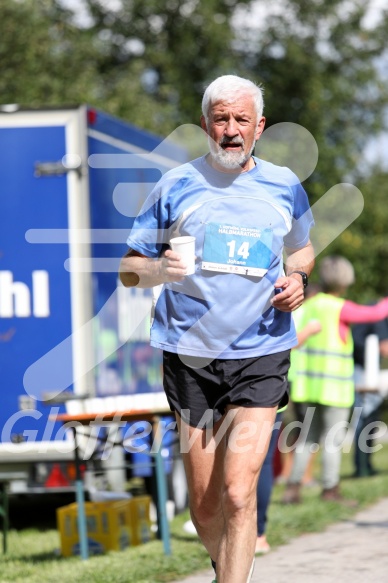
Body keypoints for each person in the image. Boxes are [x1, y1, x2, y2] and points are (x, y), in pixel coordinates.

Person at [119, 74, 315, 583]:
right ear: (206, 125)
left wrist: (299, 277)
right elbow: (129, 267)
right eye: (221, 119)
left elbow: (302, 246)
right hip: (190, 354)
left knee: (237, 492)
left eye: (241, 120)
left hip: (262, 350)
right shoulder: (176, 184)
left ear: (260, 128)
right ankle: (224, 560)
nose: (230, 129)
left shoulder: (284, 185)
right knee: (206, 509)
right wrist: (162, 270)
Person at [282, 256, 388, 505]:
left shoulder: (308, 305)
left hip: (308, 387)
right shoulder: (339, 307)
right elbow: (374, 313)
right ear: (345, 280)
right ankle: (330, 489)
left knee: (307, 438)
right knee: (332, 440)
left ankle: (292, 488)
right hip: (334, 389)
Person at [352, 318, 388, 477]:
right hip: (363, 374)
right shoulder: (379, 316)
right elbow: (385, 347)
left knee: (369, 421)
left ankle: (364, 465)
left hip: (368, 372)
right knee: (365, 421)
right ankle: (362, 468)